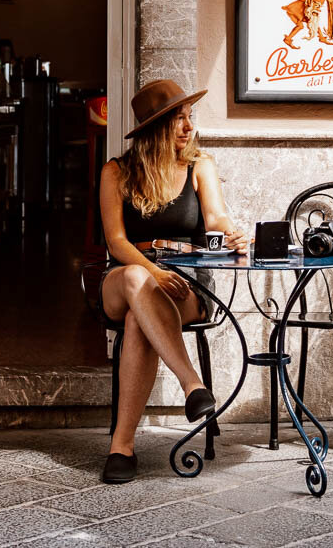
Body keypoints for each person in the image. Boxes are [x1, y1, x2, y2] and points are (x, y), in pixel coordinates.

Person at [89, 79, 249, 484]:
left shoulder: (200, 166)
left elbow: (215, 218)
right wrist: (154, 272)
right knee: (137, 279)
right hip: (125, 277)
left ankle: (121, 447)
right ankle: (192, 383)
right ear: (154, 129)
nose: (187, 126)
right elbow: (116, 241)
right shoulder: (116, 172)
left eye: (188, 117)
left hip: (186, 283)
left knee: (136, 323)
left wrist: (231, 231)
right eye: (177, 119)